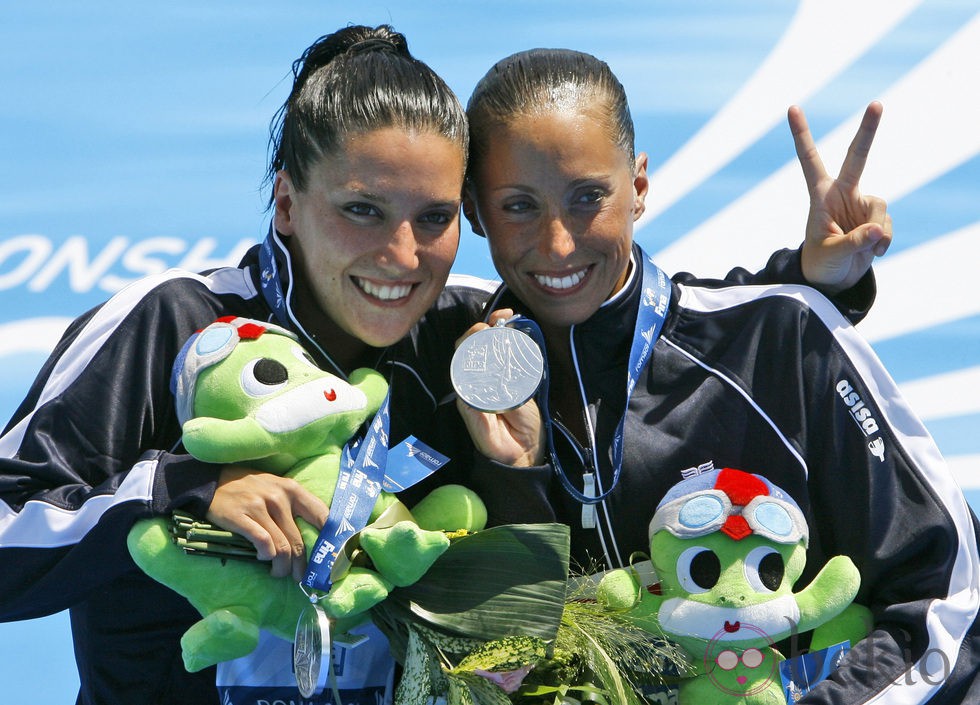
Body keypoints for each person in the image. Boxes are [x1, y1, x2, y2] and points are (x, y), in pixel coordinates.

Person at [0, 25, 888, 705]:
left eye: (432, 218)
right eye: (360, 208)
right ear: (285, 201)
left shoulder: (468, 343)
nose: (401, 255)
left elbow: (510, 638)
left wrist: (513, 473)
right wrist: (184, 488)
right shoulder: (172, 326)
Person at [453, 47, 980, 703]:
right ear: (474, 211)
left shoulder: (779, 337)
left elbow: (945, 595)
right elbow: (499, 665)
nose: (559, 242)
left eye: (588, 197)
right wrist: (514, 477)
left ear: (639, 187)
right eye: (518, 206)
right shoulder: (453, 362)